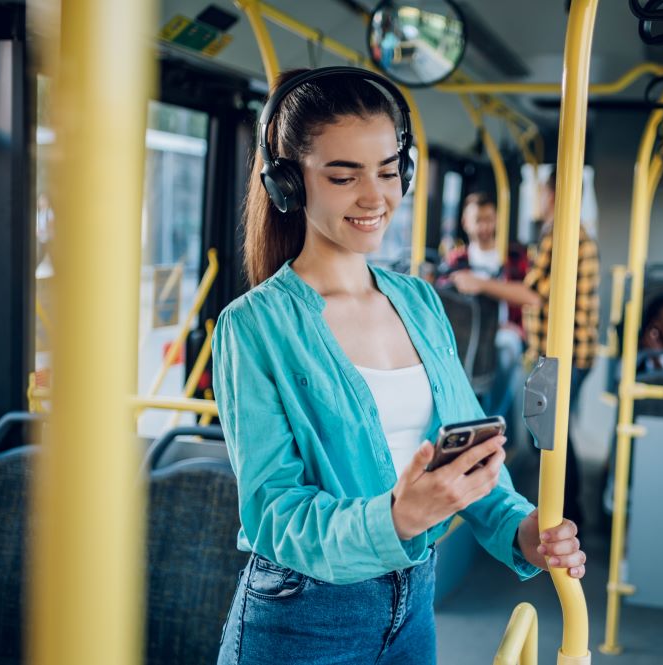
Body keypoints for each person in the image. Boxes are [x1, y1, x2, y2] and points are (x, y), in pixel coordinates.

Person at [212, 67, 586, 665]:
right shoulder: (253, 328)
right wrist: (395, 518)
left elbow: (466, 457)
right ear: (290, 184)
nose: (375, 197)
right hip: (303, 617)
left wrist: (523, 529)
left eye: (389, 172)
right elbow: (274, 513)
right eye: (343, 175)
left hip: (414, 604)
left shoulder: (418, 301)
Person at [450, 169, 599, 526]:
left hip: (565, 351)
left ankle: (564, 515)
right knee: (551, 432)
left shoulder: (558, 234)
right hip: (573, 349)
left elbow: (533, 294)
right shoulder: (571, 233)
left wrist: (480, 285)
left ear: (551, 196)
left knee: (550, 436)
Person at [440, 192, 528, 417]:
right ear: (465, 222)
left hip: (504, 330)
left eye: (489, 219)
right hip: (466, 334)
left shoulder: (513, 256)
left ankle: (490, 419)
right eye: (478, 220)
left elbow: (528, 295)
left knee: (507, 349)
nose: (484, 226)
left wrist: (481, 284)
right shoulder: (456, 260)